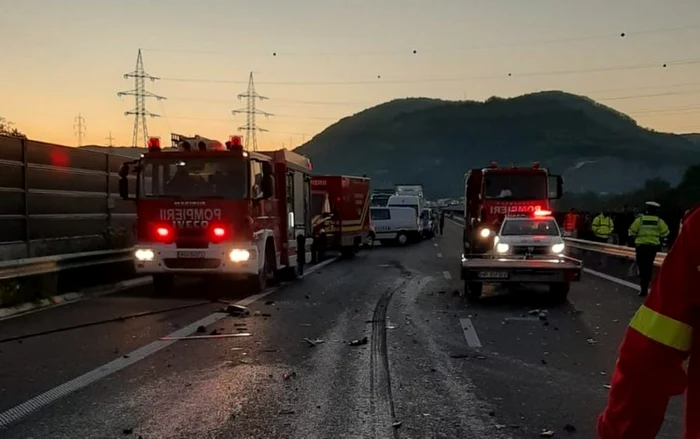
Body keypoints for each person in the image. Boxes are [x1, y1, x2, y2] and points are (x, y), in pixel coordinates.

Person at [597, 204, 700, 439]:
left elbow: (652, 353)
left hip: (644, 247)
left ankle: (644, 286)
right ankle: (644, 284)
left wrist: (619, 432)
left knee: (644, 270)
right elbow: (664, 231)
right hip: (653, 247)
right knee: (646, 270)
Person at [628, 201, 669, 297]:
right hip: (653, 247)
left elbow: (632, 232)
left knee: (641, 266)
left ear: (647, 210)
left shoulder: (640, 220)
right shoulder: (659, 221)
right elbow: (665, 233)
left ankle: (643, 288)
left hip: (641, 247)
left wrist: (637, 237)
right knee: (648, 266)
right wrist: (658, 237)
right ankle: (647, 283)